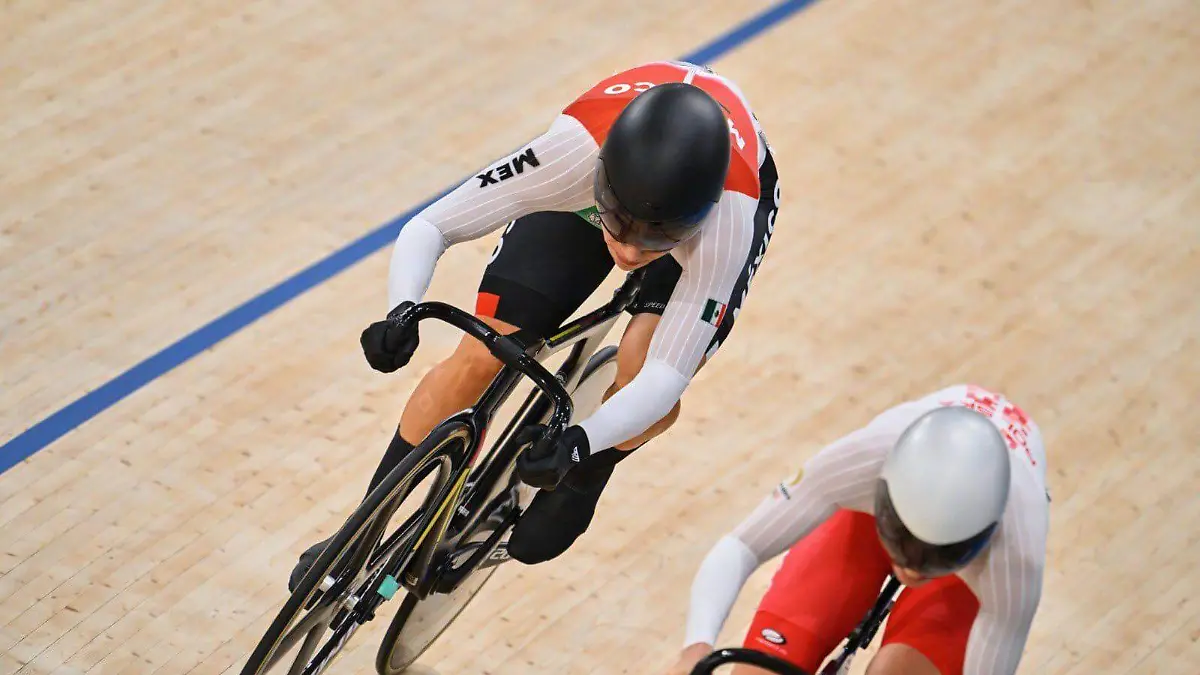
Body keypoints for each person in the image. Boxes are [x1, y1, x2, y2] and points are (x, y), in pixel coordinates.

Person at [289, 60, 782, 589]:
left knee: (642, 363)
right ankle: (365, 526)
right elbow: (432, 225)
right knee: (483, 351)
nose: (633, 252)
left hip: (716, 206)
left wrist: (584, 449)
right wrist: (402, 307)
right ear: (599, 180)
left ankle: (598, 471)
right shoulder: (568, 154)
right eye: (619, 227)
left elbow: (666, 379)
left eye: (657, 240)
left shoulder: (728, 220)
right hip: (591, 192)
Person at [667, 384, 1050, 675]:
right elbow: (741, 546)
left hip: (966, 576)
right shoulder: (861, 461)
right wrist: (695, 648)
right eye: (904, 542)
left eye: (934, 556)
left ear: (986, 533)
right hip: (868, 523)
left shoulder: (1017, 549)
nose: (912, 569)